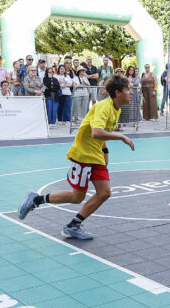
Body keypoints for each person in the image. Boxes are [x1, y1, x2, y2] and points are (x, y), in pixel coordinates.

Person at [17, 74, 135, 239]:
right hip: (83, 155)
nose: (131, 92)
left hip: (96, 155)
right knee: (76, 197)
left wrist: (105, 151)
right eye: (127, 89)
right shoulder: (103, 107)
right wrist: (121, 137)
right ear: (117, 92)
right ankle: (36, 200)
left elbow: (102, 133)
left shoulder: (116, 109)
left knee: (104, 193)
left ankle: (73, 225)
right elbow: (96, 132)